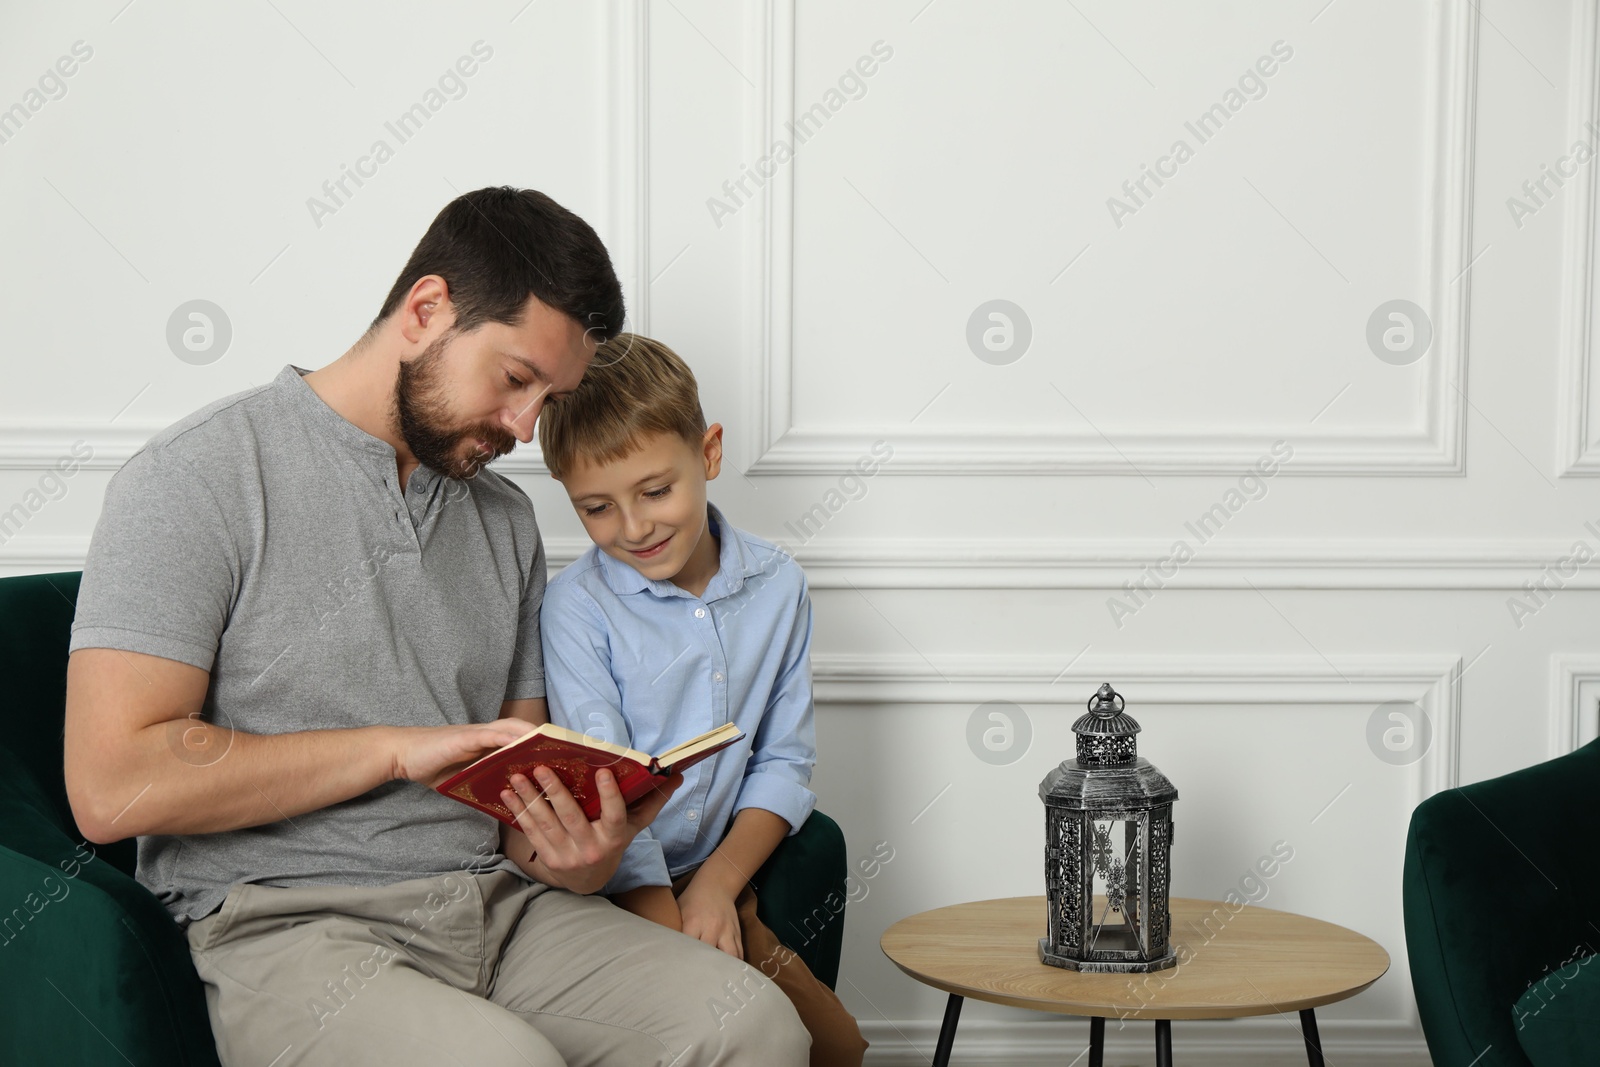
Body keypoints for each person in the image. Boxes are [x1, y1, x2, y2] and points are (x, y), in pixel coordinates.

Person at [61, 187, 809, 1067]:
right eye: (516, 379)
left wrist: (584, 852)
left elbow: (522, 806)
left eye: (548, 397)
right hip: (291, 925)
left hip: (502, 908)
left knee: (753, 1026)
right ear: (426, 311)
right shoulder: (199, 476)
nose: (527, 429)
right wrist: (390, 749)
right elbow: (111, 786)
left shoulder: (503, 521)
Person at [536, 333, 868, 1066]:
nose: (634, 527)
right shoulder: (575, 610)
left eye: (656, 490)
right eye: (596, 507)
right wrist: (667, 918)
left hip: (713, 871)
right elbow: (606, 792)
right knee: (711, 1026)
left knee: (836, 1046)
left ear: (709, 452)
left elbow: (783, 762)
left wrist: (717, 887)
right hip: (610, 884)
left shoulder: (778, 586)